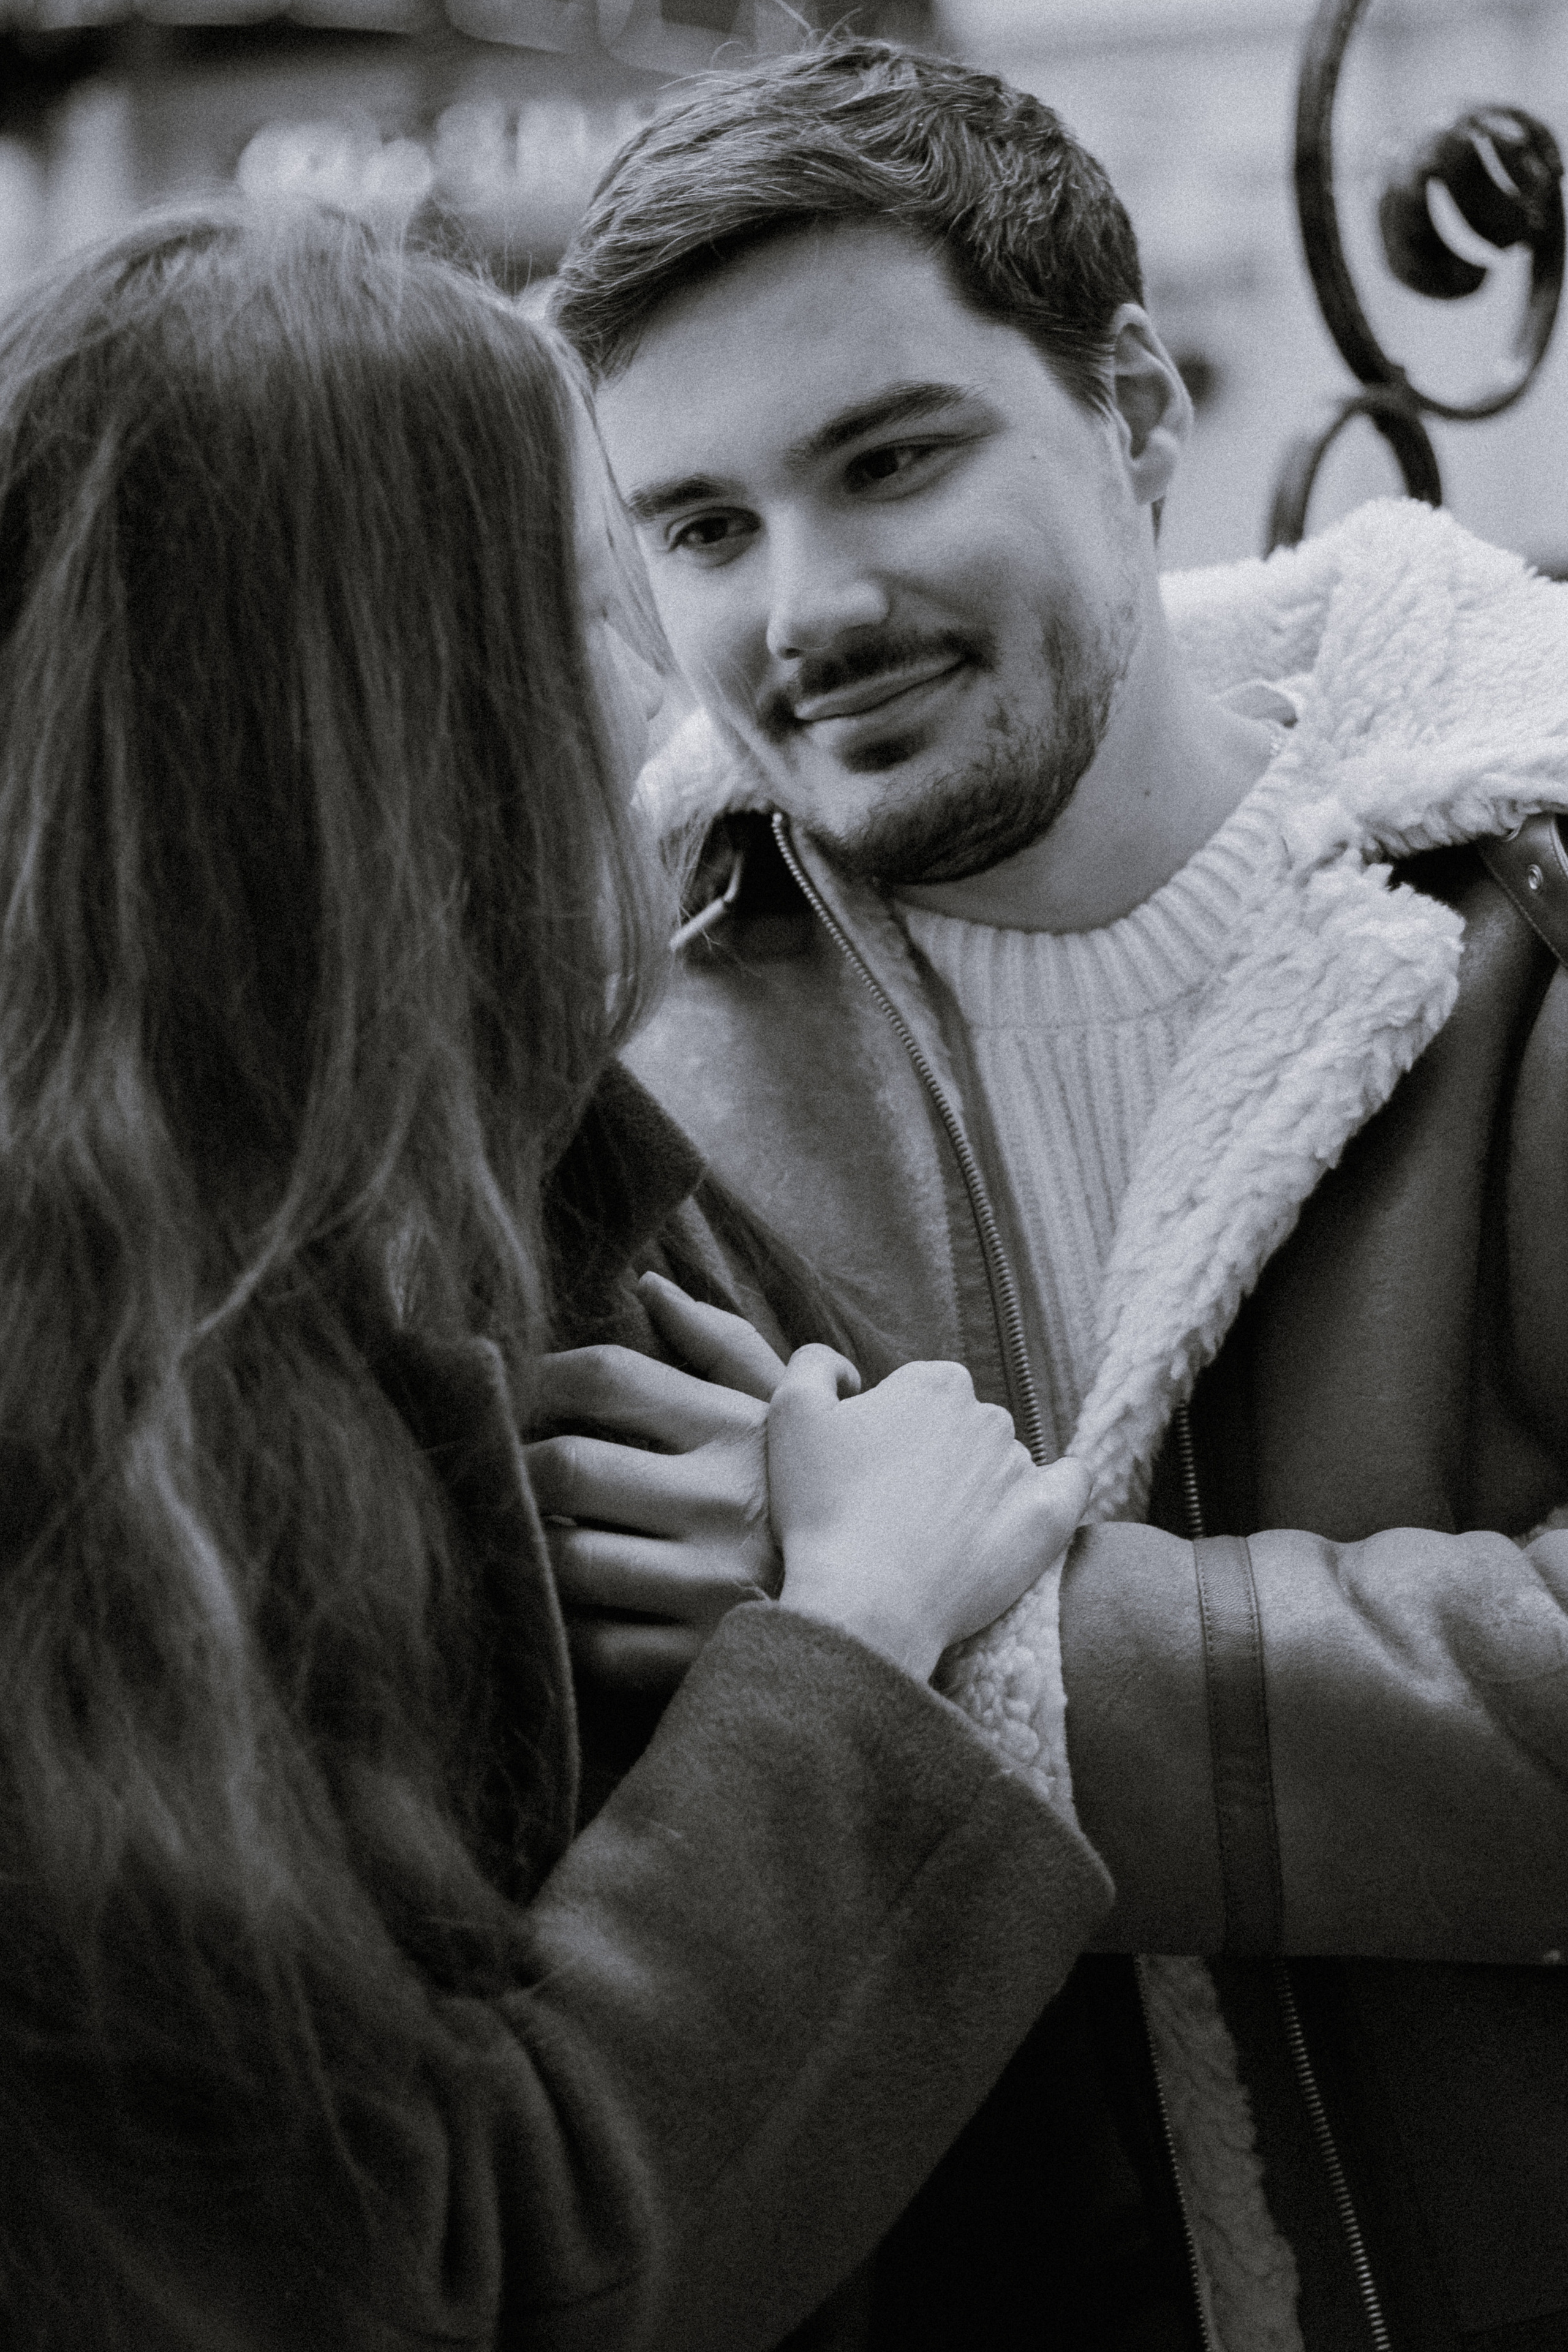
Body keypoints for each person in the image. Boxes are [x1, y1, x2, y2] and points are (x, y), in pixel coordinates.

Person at [0, 200, 1111, 2351]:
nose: (666, 691)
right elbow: (425, 2277)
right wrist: (861, 1637)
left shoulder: (545, 1200)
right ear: (403, 730)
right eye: (617, 586)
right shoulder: (91, 1438)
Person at [548, 38, 1568, 2352]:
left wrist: (958, 1657)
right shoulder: (606, 1077)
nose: (806, 604)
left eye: (891, 460)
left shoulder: (1533, 910)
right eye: (702, 526)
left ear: (1132, 412)